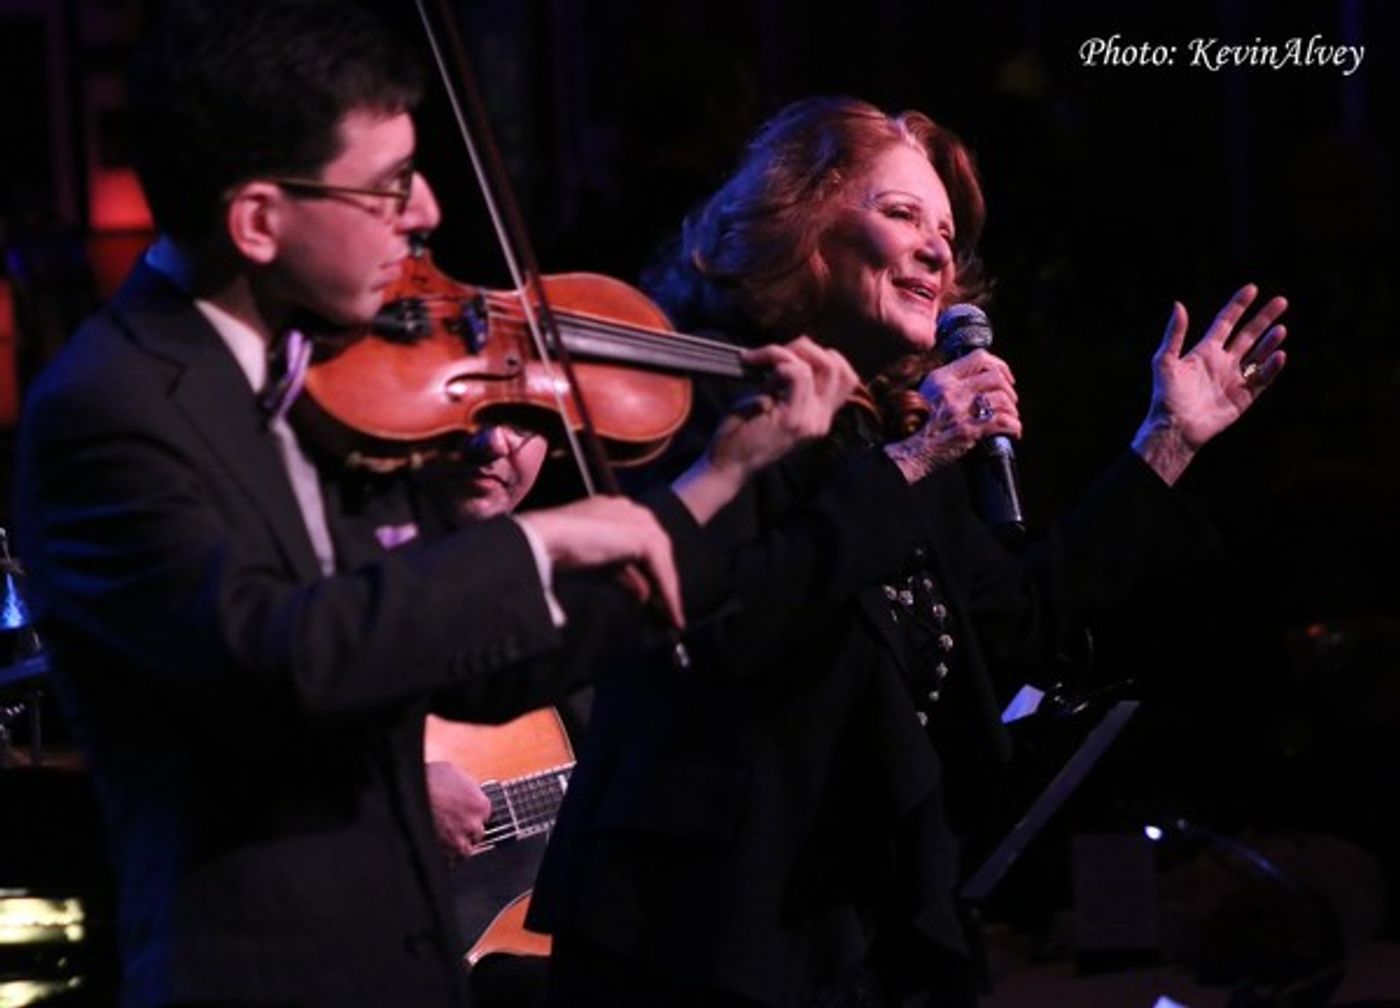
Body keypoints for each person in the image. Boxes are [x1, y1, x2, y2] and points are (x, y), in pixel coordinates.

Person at [12, 2, 854, 1004]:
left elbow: (485, 672)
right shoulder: (109, 410)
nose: (424, 217)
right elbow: (281, 654)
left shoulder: (327, 379)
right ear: (256, 220)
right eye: (387, 188)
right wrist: (532, 544)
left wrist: (717, 481)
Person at [530, 96, 1289, 1007]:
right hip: (695, 935)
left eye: (946, 230)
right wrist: (924, 454)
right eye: (901, 214)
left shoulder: (883, 443)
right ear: (798, 222)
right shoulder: (696, 397)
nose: (939, 249)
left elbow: (1016, 627)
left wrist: (1166, 441)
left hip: (858, 934)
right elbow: (725, 625)